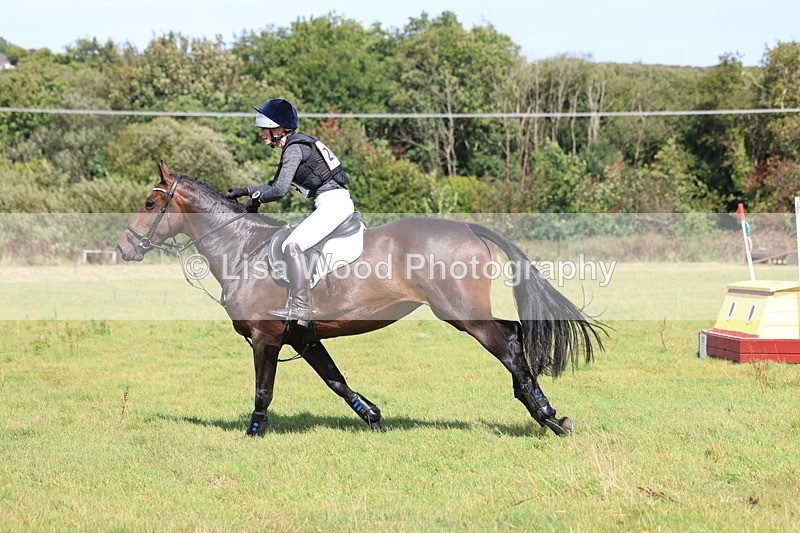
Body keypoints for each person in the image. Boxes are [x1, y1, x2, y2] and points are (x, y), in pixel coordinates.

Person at [226, 99, 353, 325]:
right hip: (331, 202)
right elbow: (274, 183)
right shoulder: (295, 146)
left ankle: (301, 308)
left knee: (291, 245)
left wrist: (257, 199)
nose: (260, 133)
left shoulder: (294, 149)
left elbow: (279, 190)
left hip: (333, 203)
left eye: (264, 128)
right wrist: (246, 191)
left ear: (279, 129)